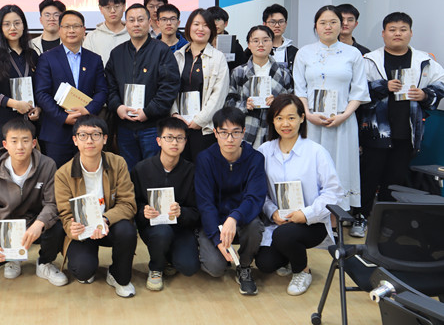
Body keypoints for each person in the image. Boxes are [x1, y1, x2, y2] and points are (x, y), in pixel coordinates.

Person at [357, 12, 444, 237]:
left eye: (403, 29)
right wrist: (382, 86)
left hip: (407, 131)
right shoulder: (369, 60)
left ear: (410, 33)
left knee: (394, 180)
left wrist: (425, 94)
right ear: (383, 33)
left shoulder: (424, 61)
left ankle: (387, 223)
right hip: (375, 131)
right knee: (368, 177)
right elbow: (357, 89)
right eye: (392, 29)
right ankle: (361, 218)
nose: (398, 34)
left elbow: (441, 83)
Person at [255, 94, 343, 295]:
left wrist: (306, 214)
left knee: (285, 235)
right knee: (265, 264)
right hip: (278, 221)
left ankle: (302, 270)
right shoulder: (264, 151)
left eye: (291, 117)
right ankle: (288, 255)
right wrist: (272, 212)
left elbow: (333, 192)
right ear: (272, 121)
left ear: (302, 118)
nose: (285, 124)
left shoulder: (316, 152)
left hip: (311, 223)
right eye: (279, 118)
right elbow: (259, 191)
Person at [293, 5, 369, 212]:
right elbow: (300, 89)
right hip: (312, 122)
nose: (328, 26)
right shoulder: (304, 53)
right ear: (315, 26)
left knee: (340, 166)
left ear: (341, 25)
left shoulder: (353, 54)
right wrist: (308, 114)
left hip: (343, 122)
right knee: (311, 166)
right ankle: (311, 214)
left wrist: (344, 115)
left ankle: (338, 216)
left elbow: (359, 91)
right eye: (323, 22)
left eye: (333, 22)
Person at [0, 118, 67, 286]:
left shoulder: (47, 165)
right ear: (5, 144)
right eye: (14, 141)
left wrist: (40, 223)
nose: (20, 147)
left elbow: (53, 203)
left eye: (25, 140)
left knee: (57, 226)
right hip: (7, 227)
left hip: (35, 223)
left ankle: (44, 263)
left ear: (33, 143)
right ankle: (13, 258)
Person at [54, 115, 138, 297]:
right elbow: (65, 214)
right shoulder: (63, 174)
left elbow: (128, 204)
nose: (89, 140)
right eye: (83, 135)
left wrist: (105, 219)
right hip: (83, 231)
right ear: (75, 140)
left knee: (127, 230)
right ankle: (88, 265)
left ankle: (118, 276)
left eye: (95, 135)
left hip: (110, 225)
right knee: (83, 271)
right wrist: (72, 228)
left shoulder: (118, 163)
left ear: (105, 139)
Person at [195, 106, 267, 296]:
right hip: (214, 220)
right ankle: (203, 244)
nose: (230, 139)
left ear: (243, 132)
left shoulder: (256, 159)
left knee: (255, 225)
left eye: (235, 132)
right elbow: (205, 203)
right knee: (215, 268)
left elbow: (255, 197)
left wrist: (234, 217)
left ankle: (244, 266)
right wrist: (217, 239)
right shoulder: (205, 159)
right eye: (224, 133)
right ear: (215, 133)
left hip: (242, 218)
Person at [106, 3, 180, 170]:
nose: (136, 24)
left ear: (149, 22)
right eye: (131, 20)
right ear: (126, 24)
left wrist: (148, 111)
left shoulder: (162, 51)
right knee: (129, 172)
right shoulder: (117, 53)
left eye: (140, 19)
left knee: (153, 171)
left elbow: (169, 87)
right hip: (125, 125)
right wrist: (117, 107)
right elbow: (110, 86)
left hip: (152, 126)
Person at [131, 117, 200, 291]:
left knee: (189, 267)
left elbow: (197, 211)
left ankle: (169, 257)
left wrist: (182, 212)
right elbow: (132, 204)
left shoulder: (192, 171)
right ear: (159, 141)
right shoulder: (141, 169)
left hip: (181, 228)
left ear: (185, 141)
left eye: (179, 138)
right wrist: (143, 211)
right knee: (162, 233)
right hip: (154, 228)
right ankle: (156, 267)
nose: (174, 143)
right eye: (169, 137)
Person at [34, 10, 108, 167]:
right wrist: (63, 117)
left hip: (87, 130)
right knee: (57, 176)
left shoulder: (94, 59)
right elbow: (42, 93)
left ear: (84, 30)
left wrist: (87, 110)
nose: (71, 30)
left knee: (87, 174)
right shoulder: (47, 58)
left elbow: (102, 91)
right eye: (67, 26)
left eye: (76, 26)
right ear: (60, 29)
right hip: (56, 131)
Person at [170, 8, 229, 161]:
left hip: (204, 128)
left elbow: (219, 95)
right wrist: (175, 115)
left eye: (206, 25)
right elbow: (170, 88)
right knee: (181, 168)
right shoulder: (178, 56)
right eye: (196, 24)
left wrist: (199, 120)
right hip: (179, 126)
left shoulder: (218, 58)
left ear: (212, 30)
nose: (200, 29)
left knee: (203, 168)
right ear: (189, 27)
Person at [0, 4, 40, 149]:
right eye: (7, 24)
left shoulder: (32, 54)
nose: (12, 28)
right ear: (0, 28)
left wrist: (39, 109)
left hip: (30, 122)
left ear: (23, 26)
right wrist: (14, 104)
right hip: (4, 123)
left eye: (17, 23)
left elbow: (40, 87)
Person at [226, 25, 293, 148]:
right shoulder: (239, 72)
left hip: (276, 131)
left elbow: (292, 101)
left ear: (272, 43)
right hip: (247, 129)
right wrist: (244, 105)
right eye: (255, 41)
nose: (261, 44)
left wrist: (277, 103)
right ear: (249, 44)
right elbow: (229, 102)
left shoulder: (283, 73)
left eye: (265, 40)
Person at [83, 0, 128, 66]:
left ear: (124, 7)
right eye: (108, 7)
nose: (112, 11)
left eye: (117, 6)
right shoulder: (92, 37)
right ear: (101, 9)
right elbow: (87, 64)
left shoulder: (132, 34)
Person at [206, 6, 246, 71]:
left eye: (218, 19)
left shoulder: (235, 46)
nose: (215, 23)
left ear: (226, 23)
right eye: (211, 20)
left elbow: (241, 70)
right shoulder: (202, 44)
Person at [262, 4, 298, 72]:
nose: (277, 25)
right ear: (264, 24)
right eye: (272, 22)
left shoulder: (294, 52)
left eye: (281, 22)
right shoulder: (257, 49)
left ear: (286, 23)